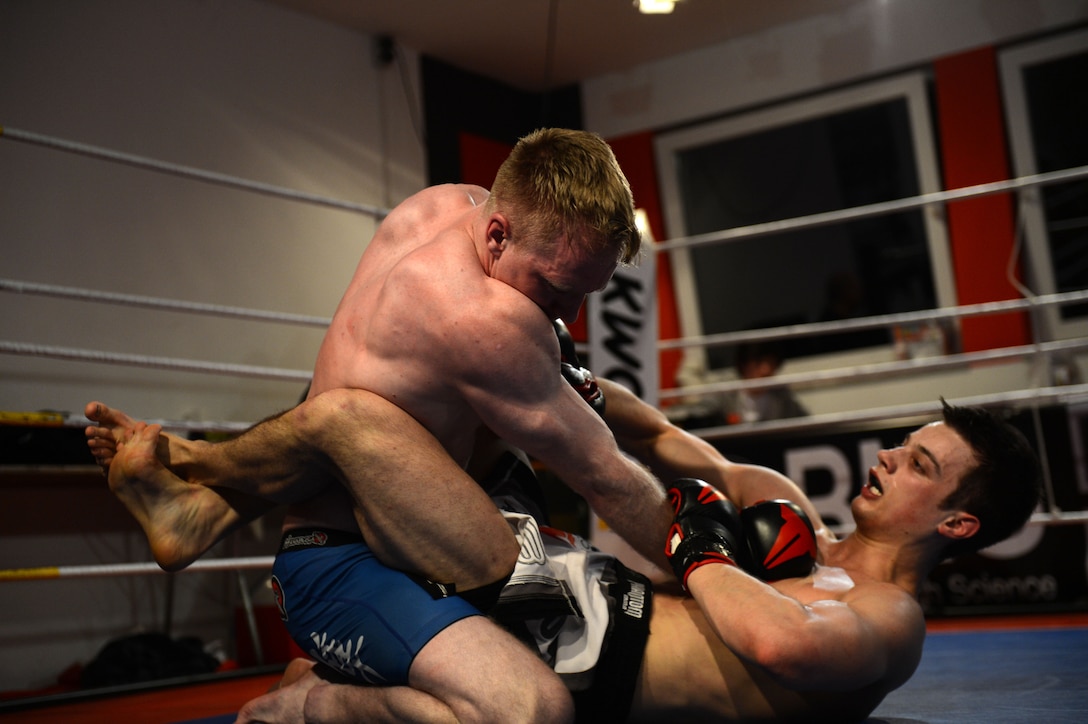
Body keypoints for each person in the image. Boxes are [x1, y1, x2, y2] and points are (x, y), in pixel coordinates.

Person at [86, 128, 677, 723]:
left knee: (414, 417)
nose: (566, 315)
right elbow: (604, 477)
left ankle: (202, 505)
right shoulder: (481, 317)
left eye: (584, 294)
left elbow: (370, 402)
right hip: (340, 563)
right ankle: (313, 701)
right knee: (531, 712)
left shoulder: (446, 205)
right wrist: (704, 559)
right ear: (499, 235)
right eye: (556, 286)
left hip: (399, 525)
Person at [92, 375, 1040, 723]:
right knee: (449, 382)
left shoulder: (892, 619)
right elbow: (670, 441)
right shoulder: (790, 518)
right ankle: (202, 489)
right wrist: (570, 378)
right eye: (902, 444)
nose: (884, 457)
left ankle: (319, 690)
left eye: (916, 463)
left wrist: (700, 550)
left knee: (364, 430)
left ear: (956, 524)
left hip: (581, 653)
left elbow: (785, 645)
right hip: (558, 584)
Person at [721, 341, 808, 424]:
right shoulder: (726, 393)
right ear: (743, 364)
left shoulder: (781, 395)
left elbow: (805, 423)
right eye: (758, 363)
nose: (765, 370)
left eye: (771, 363)